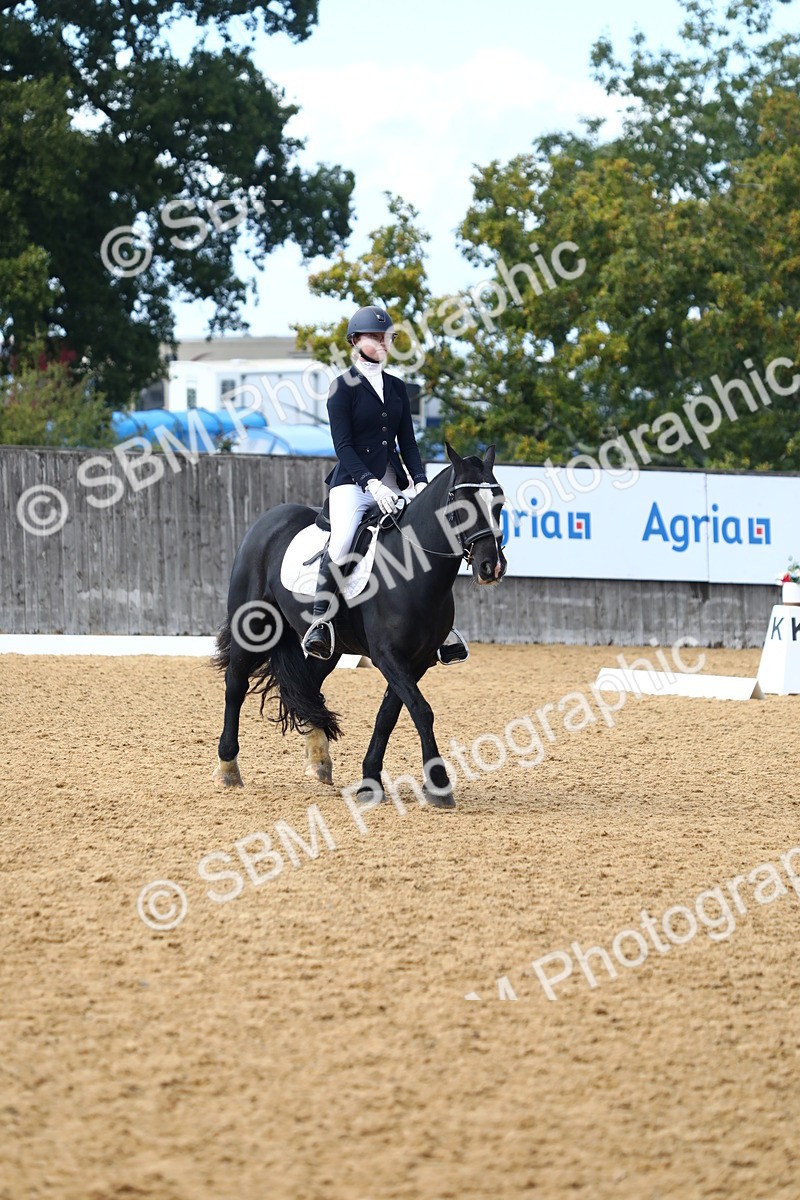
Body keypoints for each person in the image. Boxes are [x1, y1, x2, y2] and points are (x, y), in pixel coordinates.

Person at [301, 304, 469, 665]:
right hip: (353, 483)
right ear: (355, 341)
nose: (381, 342)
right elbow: (343, 446)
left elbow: (407, 441)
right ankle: (320, 621)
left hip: (395, 479)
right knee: (344, 539)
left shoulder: (396, 387)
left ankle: (440, 628)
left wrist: (420, 482)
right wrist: (371, 484)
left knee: (429, 532)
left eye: (385, 336)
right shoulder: (341, 388)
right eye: (374, 337)